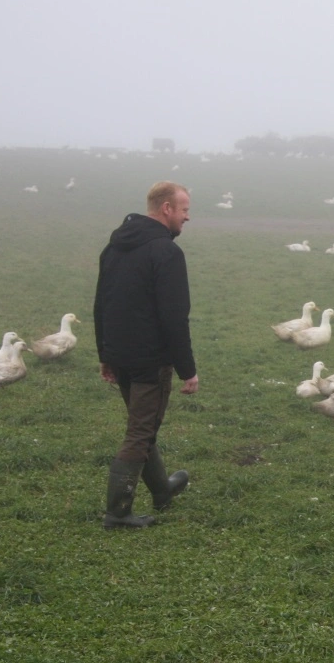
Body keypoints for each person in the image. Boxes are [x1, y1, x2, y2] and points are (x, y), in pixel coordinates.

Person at [94, 181, 198, 529]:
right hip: (149, 360)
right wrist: (188, 370)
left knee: (144, 425)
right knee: (139, 432)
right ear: (166, 208)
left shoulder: (115, 246)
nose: (187, 217)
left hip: (121, 354)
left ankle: (162, 490)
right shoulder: (166, 253)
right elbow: (174, 316)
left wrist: (105, 354)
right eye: (184, 210)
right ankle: (118, 512)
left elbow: (101, 305)